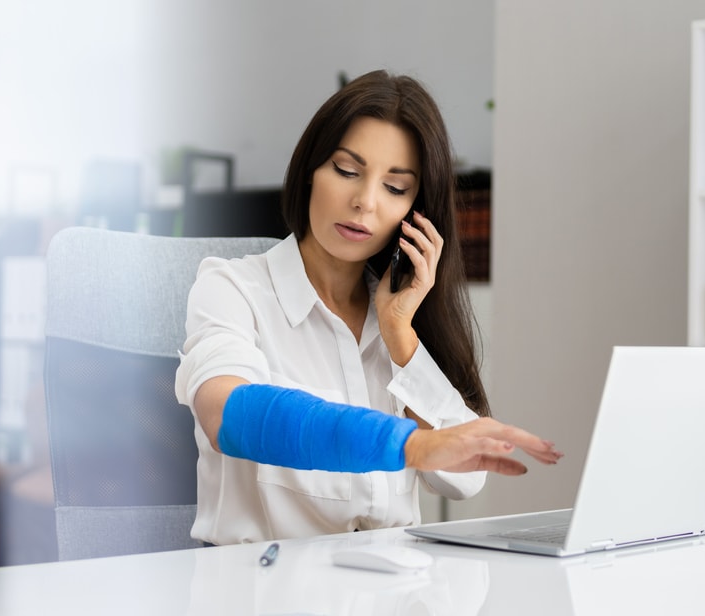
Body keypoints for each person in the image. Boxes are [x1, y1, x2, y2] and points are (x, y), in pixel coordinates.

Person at [175, 70, 561, 545]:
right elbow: (228, 417)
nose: (365, 202)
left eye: (395, 188)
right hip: (265, 591)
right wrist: (410, 446)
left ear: (417, 213)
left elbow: (465, 478)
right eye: (346, 170)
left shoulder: (398, 318)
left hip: (391, 591)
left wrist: (402, 336)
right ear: (310, 170)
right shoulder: (232, 288)